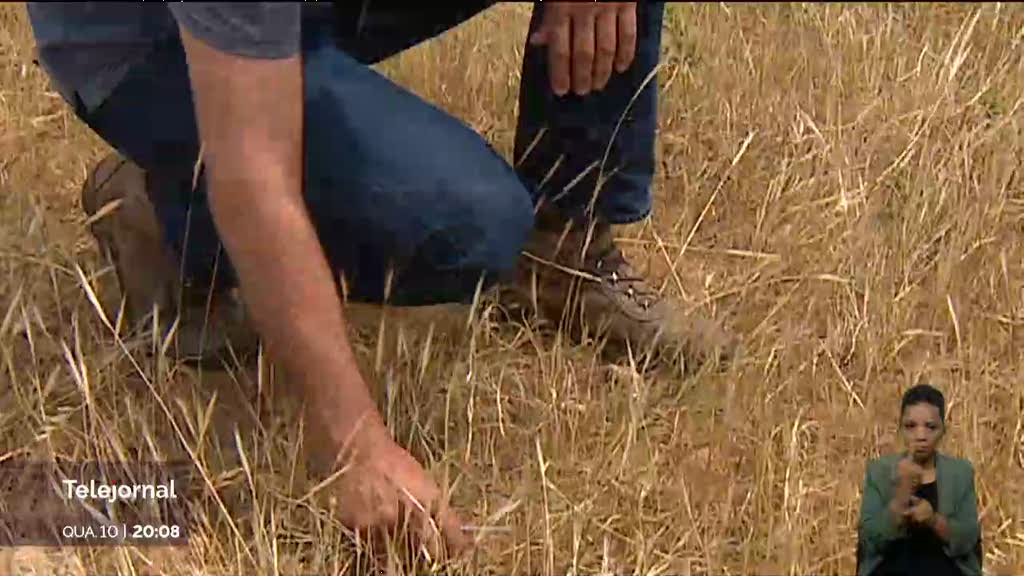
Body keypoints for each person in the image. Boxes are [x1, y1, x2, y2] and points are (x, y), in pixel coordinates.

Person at [26, 1, 737, 559]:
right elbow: (256, 174)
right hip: (146, 44)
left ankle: (566, 262)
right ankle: (171, 209)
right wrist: (352, 444)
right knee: (465, 227)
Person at [857, 384, 982, 576]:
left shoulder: (959, 473)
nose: (921, 436)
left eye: (930, 427)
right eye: (911, 426)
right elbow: (870, 540)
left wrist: (933, 520)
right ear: (900, 429)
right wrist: (900, 497)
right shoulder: (880, 471)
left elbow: (968, 538)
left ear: (943, 430)